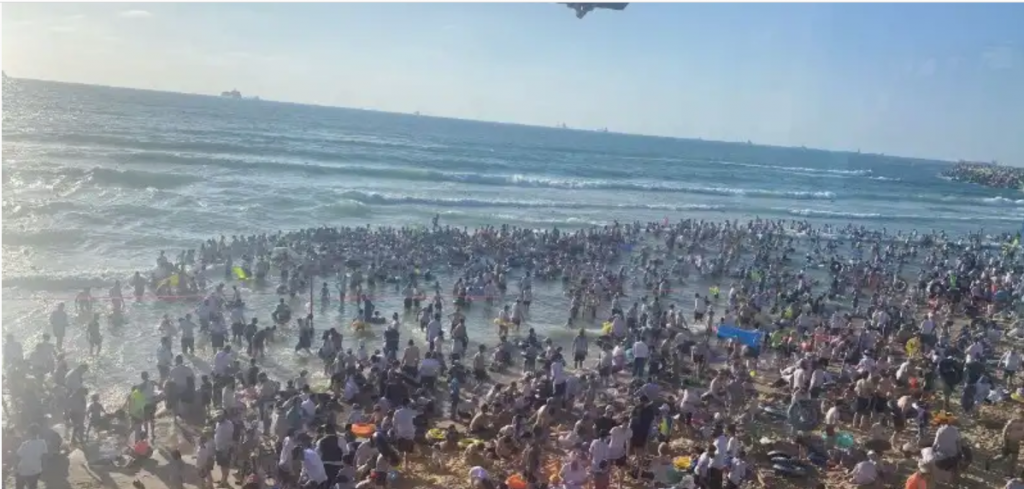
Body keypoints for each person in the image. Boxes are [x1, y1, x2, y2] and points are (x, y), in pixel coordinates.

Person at [16, 424, 48, 489]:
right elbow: (44, 457)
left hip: (23, 469)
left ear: (29, 433)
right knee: (33, 486)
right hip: (35, 470)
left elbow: (19, 455)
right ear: (39, 432)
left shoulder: (25, 444)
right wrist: (43, 469)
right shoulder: (42, 443)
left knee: (19, 486)